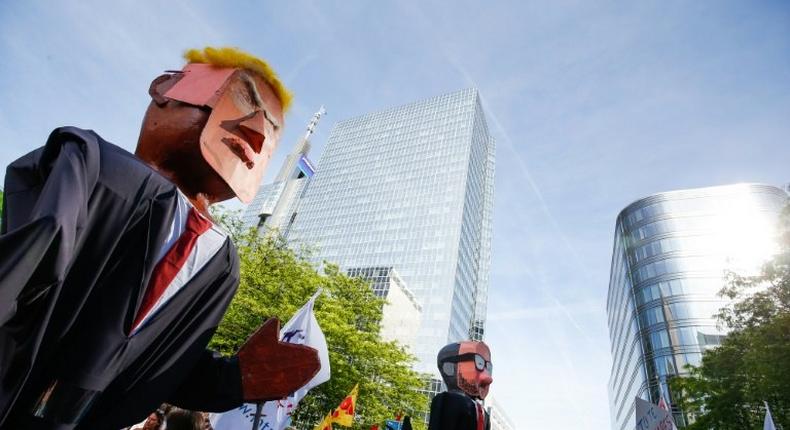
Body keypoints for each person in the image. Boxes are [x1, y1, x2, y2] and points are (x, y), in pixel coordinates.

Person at [0, 47, 320, 429]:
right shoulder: (94, 163)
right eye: (241, 99)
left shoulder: (222, 260)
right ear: (166, 87)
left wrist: (234, 379)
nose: (254, 133)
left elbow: (170, 360)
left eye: (269, 133)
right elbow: (26, 263)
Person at [428, 341, 494, 430]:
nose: (488, 378)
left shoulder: (483, 414)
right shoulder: (448, 400)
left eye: (488, 367)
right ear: (449, 368)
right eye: (479, 363)